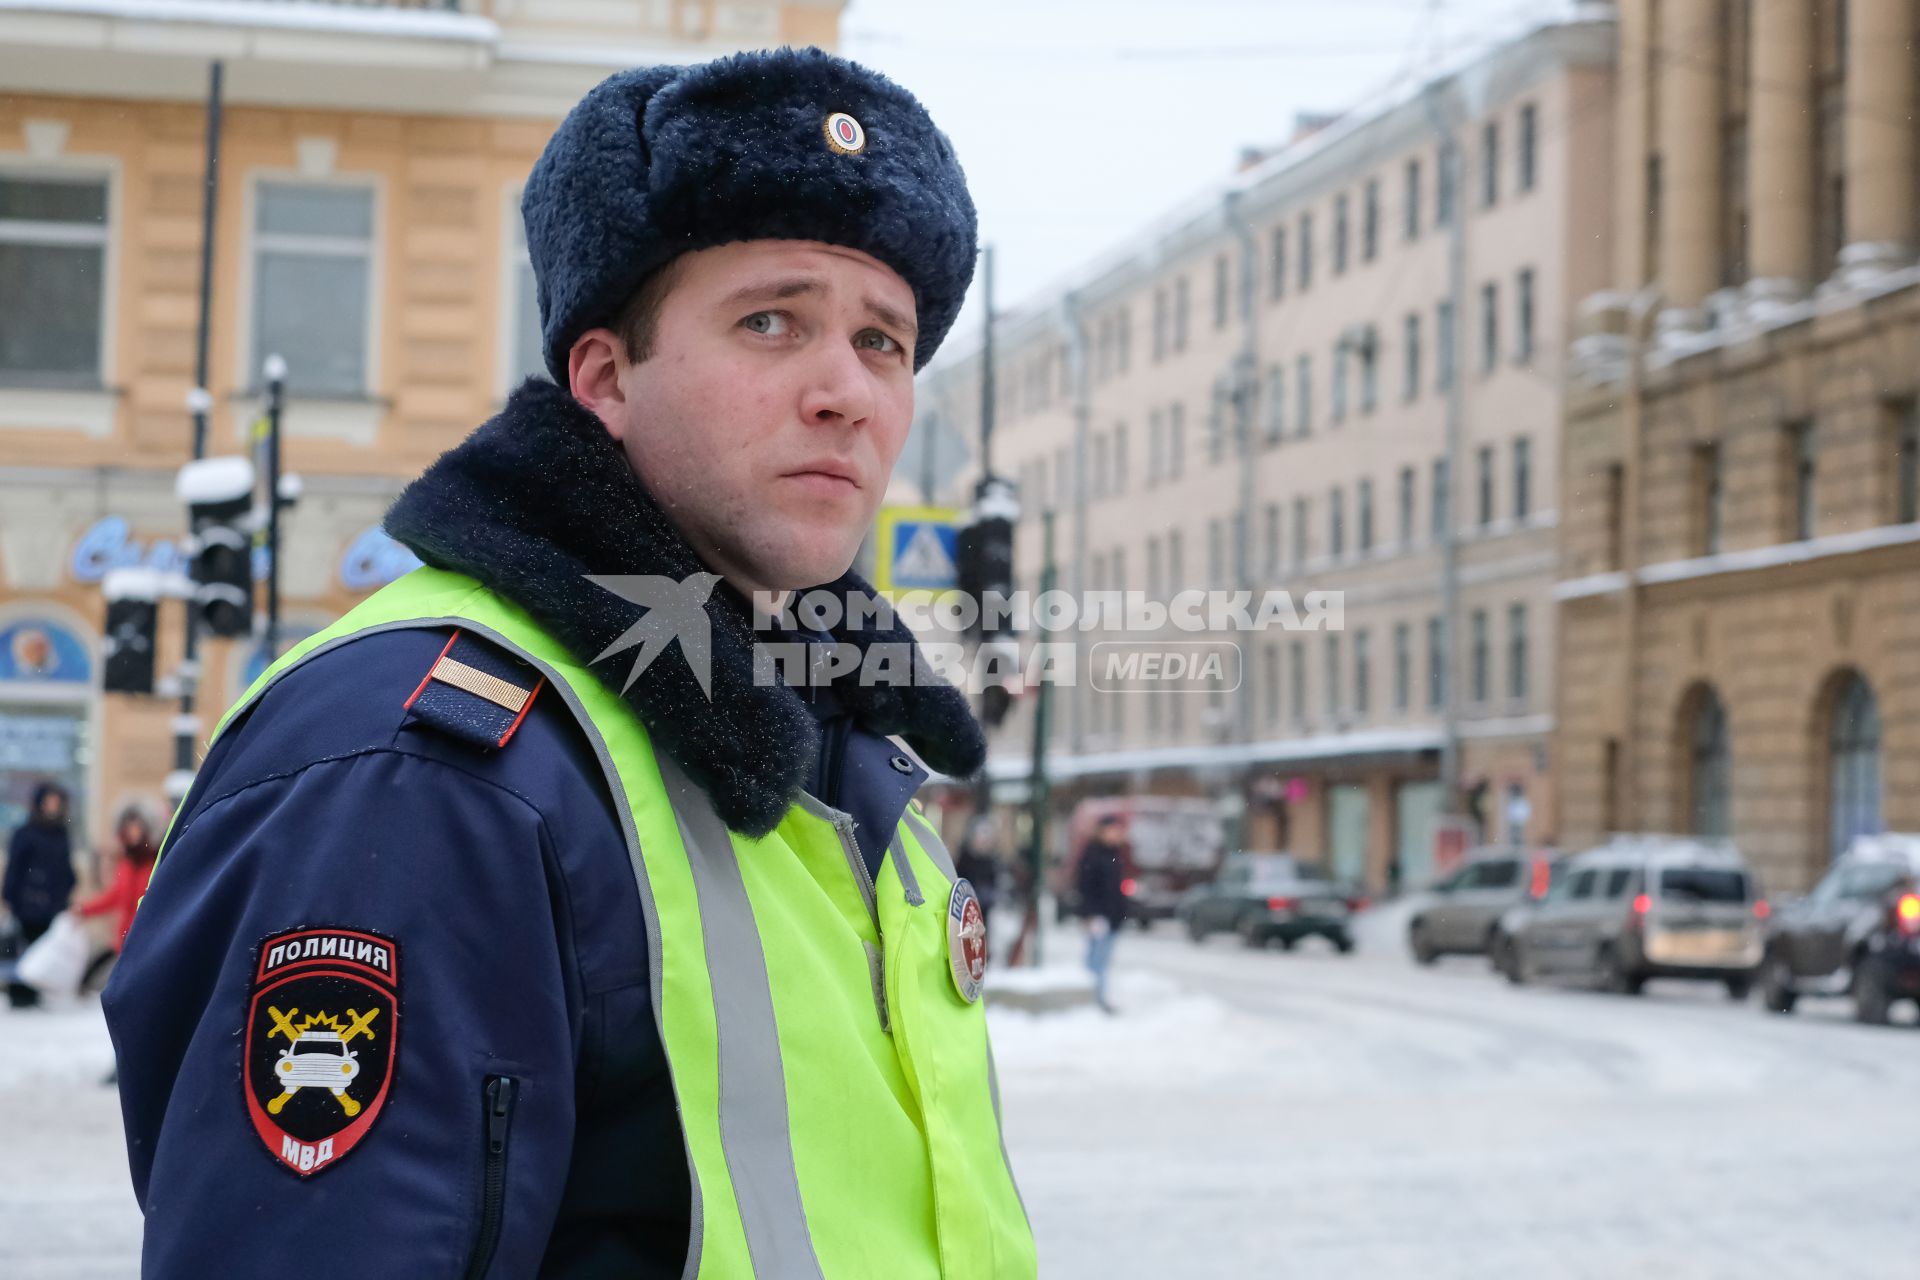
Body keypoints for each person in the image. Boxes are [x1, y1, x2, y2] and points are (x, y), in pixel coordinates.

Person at [104, 48, 1034, 1279]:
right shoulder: (423, 758)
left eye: (884, 342)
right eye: (772, 320)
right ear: (604, 375)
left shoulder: (850, 755)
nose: (845, 392)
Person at [4, 782, 75, 1009]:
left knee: (45, 950)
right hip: (27, 902)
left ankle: (37, 991)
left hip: (52, 904)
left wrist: (67, 889)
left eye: (56, 802)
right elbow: (15, 867)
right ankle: (21, 994)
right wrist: (9, 896)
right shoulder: (25, 833)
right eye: (48, 801)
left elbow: (65, 867)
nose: (52, 806)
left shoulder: (61, 833)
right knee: (24, 949)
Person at [1076, 814, 1131, 1014]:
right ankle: (1093, 1000)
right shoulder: (1093, 855)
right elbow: (1086, 887)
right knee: (1095, 961)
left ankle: (1097, 999)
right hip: (1098, 917)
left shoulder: (1115, 854)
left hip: (1112, 916)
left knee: (1103, 961)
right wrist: (1090, 915)